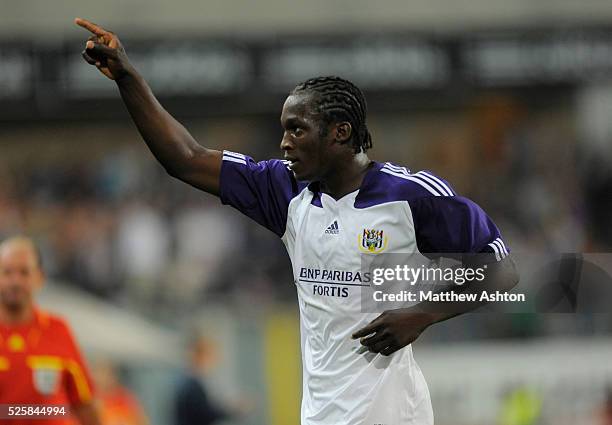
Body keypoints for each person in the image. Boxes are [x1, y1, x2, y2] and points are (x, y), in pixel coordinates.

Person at [75, 18, 519, 425]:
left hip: (392, 415)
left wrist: (420, 315)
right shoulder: (286, 191)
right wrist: (128, 78)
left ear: (340, 132)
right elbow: (186, 159)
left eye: (297, 129)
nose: (284, 143)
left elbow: (501, 269)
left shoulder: (411, 196)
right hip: (320, 415)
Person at [0, 236, 101, 425]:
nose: (15, 281)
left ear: (40, 278)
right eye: (7, 272)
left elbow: (84, 404)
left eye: (24, 273)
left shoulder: (58, 330)